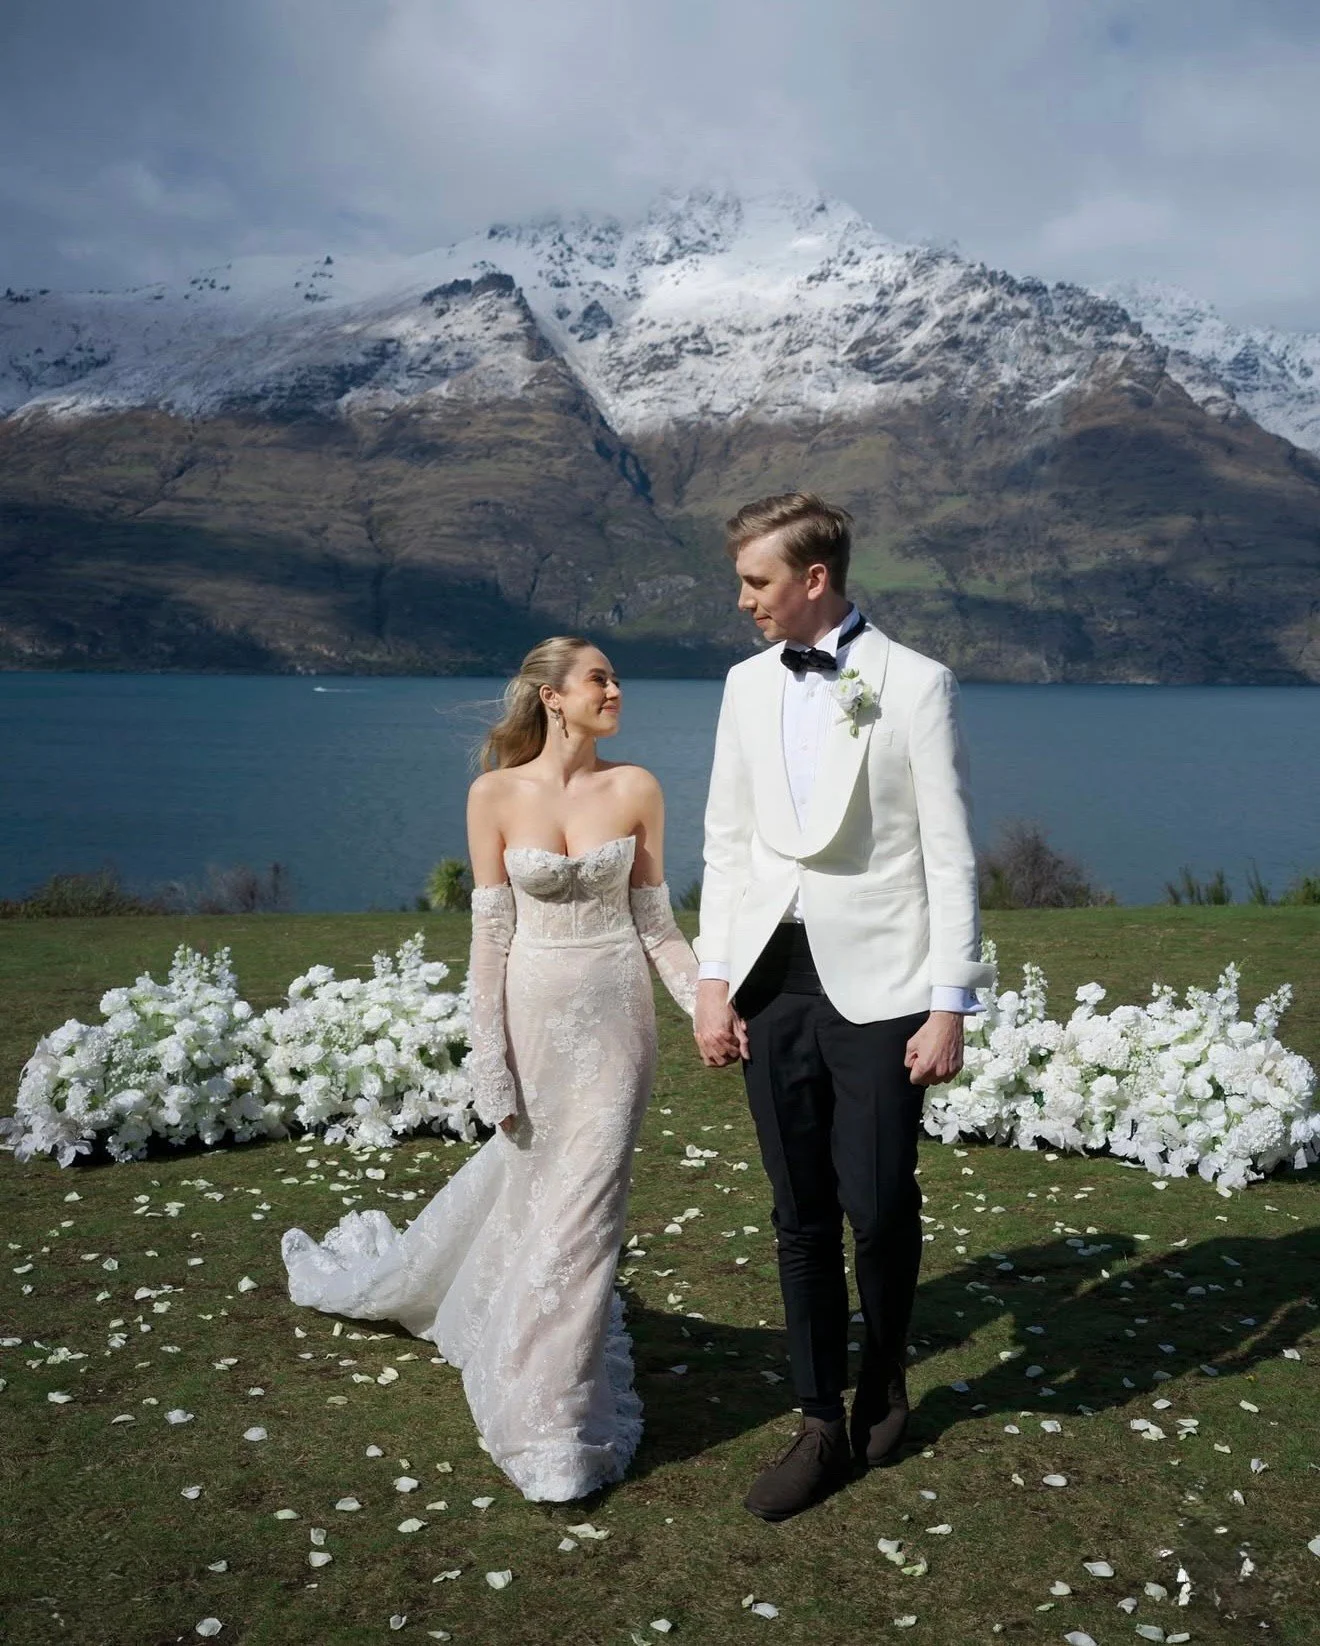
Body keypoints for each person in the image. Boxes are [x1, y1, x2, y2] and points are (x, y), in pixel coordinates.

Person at [281, 637, 698, 1502]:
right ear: (552, 697)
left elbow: (657, 925)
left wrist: (709, 1009)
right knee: (535, 1190)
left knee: (589, 1213)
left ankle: (553, 1422)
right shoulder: (493, 795)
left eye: (617, 676)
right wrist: (491, 1067)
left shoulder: (638, 788)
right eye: (599, 679)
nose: (616, 689)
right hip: (534, 1017)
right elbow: (490, 943)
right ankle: (495, 1326)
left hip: (618, 1020)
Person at [693, 492, 993, 1522]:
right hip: (771, 984)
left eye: (757, 581)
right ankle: (820, 1419)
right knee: (799, 1214)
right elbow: (727, 840)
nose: (743, 602)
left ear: (814, 578)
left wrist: (948, 1001)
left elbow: (950, 853)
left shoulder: (915, 684)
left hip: (883, 989)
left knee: (878, 1201)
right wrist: (710, 980)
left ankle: (887, 1371)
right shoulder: (741, 687)